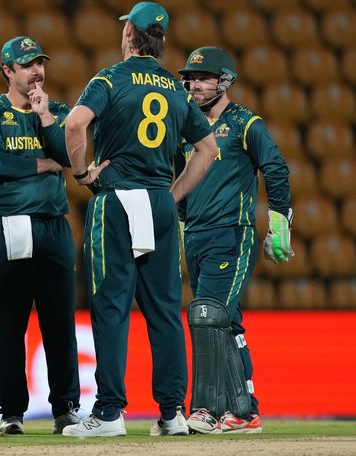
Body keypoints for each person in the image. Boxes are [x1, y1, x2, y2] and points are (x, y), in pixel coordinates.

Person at [62, 1, 220, 438]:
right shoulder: (175, 89)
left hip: (117, 200)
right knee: (165, 311)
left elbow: (74, 125)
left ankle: (109, 412)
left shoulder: (110, 78)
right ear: (162, 41)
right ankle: (172, 414)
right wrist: (173, 194)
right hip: (159, 204)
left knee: (111, 308)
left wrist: (82, 173)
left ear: (129, 33)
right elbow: (208, 149)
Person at [176, 46, 292, 435]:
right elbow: (180, 178)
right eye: (190, 78)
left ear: (224, 81)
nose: (194, 85)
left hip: (231, 234)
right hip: (195, 235)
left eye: (203, 78)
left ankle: (206, 409)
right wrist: (180, 220)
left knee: (208, 317)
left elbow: (275, 167)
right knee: (226, 323)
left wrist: (279, 221)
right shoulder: (186, 127)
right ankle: (244, 411)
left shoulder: (245, 123)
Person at [0, 35, 81, 435]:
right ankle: (12, 412)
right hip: (11, 222)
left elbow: (69, 159)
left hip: (53, 223)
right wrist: (42, 164)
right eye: (27, 64)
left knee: (59, 322)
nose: (37, 71)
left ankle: (66, 409)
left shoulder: (58, 112)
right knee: (11, 323)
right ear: (7, 70)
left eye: (40, 62)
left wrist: (46, 117)